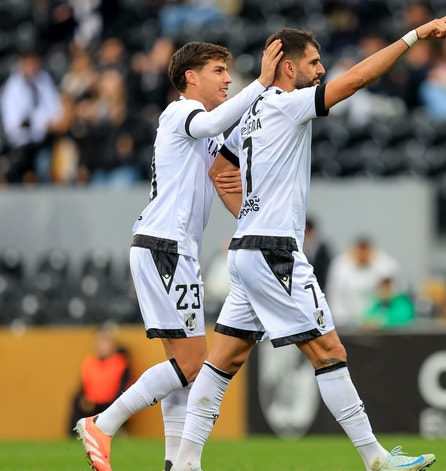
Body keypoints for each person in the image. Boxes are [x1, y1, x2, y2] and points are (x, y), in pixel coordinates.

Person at [171, 14, 446, 471]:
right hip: (273, 251)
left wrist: (249, 216)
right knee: (329, 352)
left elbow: (220, 172)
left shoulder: (250, 112)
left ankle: (184, 462)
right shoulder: (289, 105)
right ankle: (376, 459)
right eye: (314, 61)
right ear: (289, 67)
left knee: (223, 360)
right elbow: (358, 79)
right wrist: (413, 36)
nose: (321, 69)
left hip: (247, 250)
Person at [74, 39, 284, 471]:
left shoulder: (206, 124)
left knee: (180, 368)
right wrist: (262, 82)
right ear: (191, 77)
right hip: (166, 247)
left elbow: (226, 168)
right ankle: (103, 422)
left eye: (229, 72)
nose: (228, 79)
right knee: (192, 365)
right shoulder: (181, 111)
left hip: (164, 247)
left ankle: (177, 464)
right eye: (219, 70)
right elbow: (215, 128)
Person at [0, 45, 64, 184]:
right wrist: (39, 121)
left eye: (34, 61)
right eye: (28, 61)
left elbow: (55, 109)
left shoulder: (44, 79)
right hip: (21, 145)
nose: (32, 65)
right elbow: (14, 123)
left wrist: (44, 121)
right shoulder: (12, 87)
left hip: (43, 140)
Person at [69, 326, 132, 437]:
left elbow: (123, 390)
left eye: (104, 341)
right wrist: (84, 400)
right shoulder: (89, 363)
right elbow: (83, 387)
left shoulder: (121, 363)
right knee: (75, 401)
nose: (99, 345)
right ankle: (75, 434)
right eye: (97, 342)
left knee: (117, 405)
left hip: (110, 404)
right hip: (91, 403)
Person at [326, 237, 402, 327]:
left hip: (376, 322)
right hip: (347, 321)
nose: (363, 256)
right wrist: (343, 322)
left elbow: (395, 293)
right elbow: (335, 298)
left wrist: (379, 319)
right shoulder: (339, 266)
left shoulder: (386, 265)